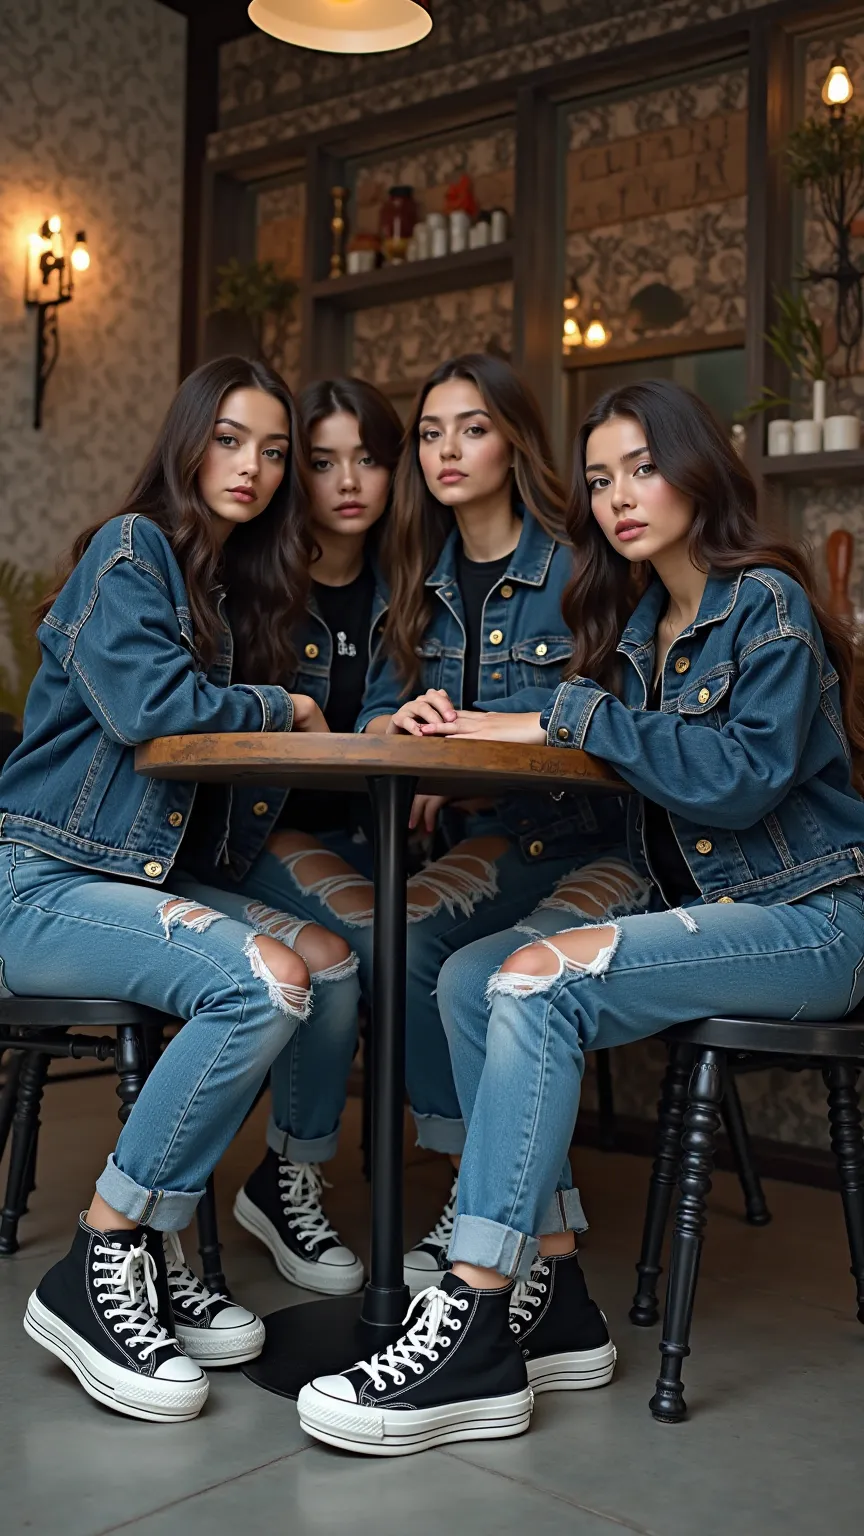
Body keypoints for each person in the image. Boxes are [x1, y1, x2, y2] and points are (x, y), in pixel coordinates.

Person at [296, 377, 864, 1455]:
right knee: (468, 978)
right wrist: (485, 728)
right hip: (703, 914)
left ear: (698, 467)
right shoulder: (643, 619)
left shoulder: (765, 599)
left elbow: (740, 779)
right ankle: (553, 1291)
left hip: (810, 918)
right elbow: (586, 734)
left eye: (644, 469)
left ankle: (469, 1322)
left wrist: (573, 709)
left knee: (531, 980)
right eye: (601, 479)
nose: (618, 498)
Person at [0, 355, 362, 1422]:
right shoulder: (130, 549)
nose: (251, 466)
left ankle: (228, 1211)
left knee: (332, 966)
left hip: (134, 880)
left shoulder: (227, 591)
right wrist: (285, 708)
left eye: (273, 450)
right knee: (262, 983)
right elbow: (154, 710)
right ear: (187, 441)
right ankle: (102, 1257)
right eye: (230, 439)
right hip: (45, 883)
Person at [255, 353, 646, 1299]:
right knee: (409, 930)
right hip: (505, 833)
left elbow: (630, 709)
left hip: (596, 836)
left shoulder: (582, 556)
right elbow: (395, 710)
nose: (446, 451)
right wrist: (410, 729)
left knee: (460, 960)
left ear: (514, 440)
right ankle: (467, 1179)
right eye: (430, 433)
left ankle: (479, 1200)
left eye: (470, 428)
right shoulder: (414, 579)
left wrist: (498, 728)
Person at [226, 376, 401, 1291]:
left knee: (441, 942)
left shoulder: (412, 585)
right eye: (323, 460)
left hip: (383, 833)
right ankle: (288, 1175)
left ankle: (487, 1201)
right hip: (263, 833)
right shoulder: (255, 580)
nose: (347, 482)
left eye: (369, 459)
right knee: (369, 937)